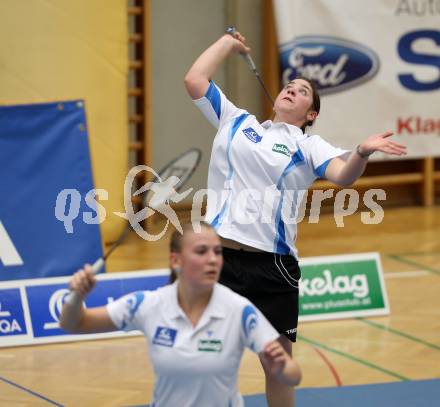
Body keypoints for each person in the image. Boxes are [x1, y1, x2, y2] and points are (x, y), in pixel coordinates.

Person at [184, 31, 407, 406]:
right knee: (204, 355)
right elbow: (195, 80)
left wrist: (362, 153)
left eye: (302, 91)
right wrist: (229, 44)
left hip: (272, 266)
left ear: (311, 114)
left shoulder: (307, 145)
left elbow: (342, 174)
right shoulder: (236, 121)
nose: (292, 89)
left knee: (277, 363)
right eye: (290, 86)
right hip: (217, 258)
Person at [60, 222, 301, 407]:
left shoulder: (239, 310)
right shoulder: (148, 305)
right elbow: (75, 323)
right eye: (201, 251)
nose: (213, 260)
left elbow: (293, 375)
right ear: (176, 260)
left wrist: (281, 368)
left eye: (217, 252)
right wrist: (77, 297)